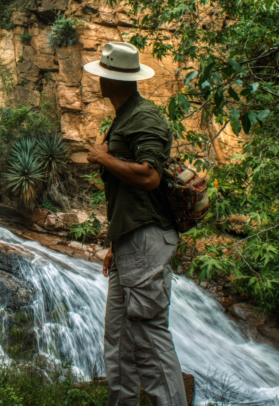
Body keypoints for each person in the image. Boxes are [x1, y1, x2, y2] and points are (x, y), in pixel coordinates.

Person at [84, 42, 188, 406]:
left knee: (148, 335)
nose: (98, 80)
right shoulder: (123, 115)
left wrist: (102, 156)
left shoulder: (144, 117)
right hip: (129, 242)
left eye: (102, 75)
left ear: (109, 81)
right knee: (119, 341)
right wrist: (115, 243)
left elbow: (149, 177)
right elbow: (128, 194)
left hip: (146, 240)